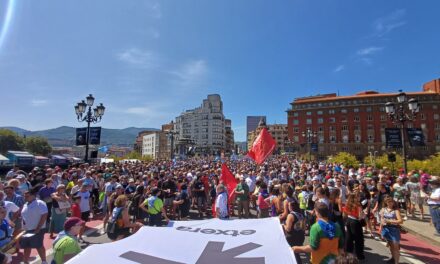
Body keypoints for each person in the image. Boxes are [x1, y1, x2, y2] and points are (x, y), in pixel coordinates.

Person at [20, 187, 48, 264]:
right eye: (24, 196)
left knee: (39, 246)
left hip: (37, 229)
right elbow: (23, 217)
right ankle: (26, 262)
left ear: (33, 195)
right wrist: (23, 228)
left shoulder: (40, 203)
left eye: (27, 196)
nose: (25, 197)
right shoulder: (25, 204)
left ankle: (44, 261)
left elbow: (44, 215)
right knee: (26, 246)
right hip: (26, 230)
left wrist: (38, 228)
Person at [380, 196, 403, 264]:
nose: (390, 203)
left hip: (394, 230)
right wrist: (381, 228)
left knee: (396, 247)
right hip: (386, 229)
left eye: (391, 202)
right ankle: (393, 258)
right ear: (386, 203)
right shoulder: (383, 209)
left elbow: (400, 221)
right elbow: (382, 219)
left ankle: (396, 262)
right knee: (390, 245)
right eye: (388, 202)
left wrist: (390, 221)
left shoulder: (396, 210)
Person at [342, 193, 365, 260]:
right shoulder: (358, 205)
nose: (359, 197)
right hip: (356, 222)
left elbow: (344, 214)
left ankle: (348, 254)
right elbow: (360, 216)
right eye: (358, 196)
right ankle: (359, 255)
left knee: (349, 238)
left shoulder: (347, 204)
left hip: (349, 221)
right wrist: (363, 215)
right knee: (359, 239)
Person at [283, 199, 305, 264]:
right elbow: (303, 228)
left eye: (288, 205)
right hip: (300, 236)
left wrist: (283, 225)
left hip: (292, 237)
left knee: (294, 254)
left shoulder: (290, 216)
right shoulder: (301, 214)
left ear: (291, 207)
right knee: (296, 253)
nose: (288, 207)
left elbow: (288, 229)